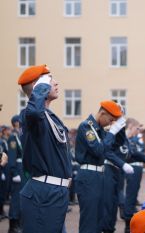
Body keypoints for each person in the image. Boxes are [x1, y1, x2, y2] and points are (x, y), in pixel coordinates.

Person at [17, 65, 72, 233]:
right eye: (50, 79)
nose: (56, 83)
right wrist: (40, 88)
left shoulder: (49, 116)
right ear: (38, 87)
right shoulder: (29, 114)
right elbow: (34, 112)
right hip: (43, 194)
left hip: (55, 194)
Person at [75, 100, 133, 233]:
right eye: (110, 119)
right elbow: (99, 150)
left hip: (99, 176)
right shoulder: (87, 127)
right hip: (88, 177)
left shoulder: (99, 130)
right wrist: (112, 131)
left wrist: (120, 124)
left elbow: (117, 143)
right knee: (89, 221)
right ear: (102, 113)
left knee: (99, 220)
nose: (110, 122)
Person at [7, 115, 24, 233]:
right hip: (17, 170)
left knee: (22, 197)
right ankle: (13, 225)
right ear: (16, 123)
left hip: (23, 170)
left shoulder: (20, 135)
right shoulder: (13, 138)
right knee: (16, 198)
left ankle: (20, 223)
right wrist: (14, 172)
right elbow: (12, 156)